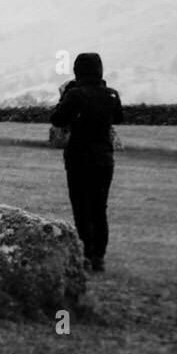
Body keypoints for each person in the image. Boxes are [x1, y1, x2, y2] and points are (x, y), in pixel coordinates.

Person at [49, 52, 123, 272]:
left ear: (77, 71)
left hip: (79, 158)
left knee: (81, 207)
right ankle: (99, 255)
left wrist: (65, 95)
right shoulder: (111, 94)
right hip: (104, 159)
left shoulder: (76, 94)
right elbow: (118, 117)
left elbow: (57, 119)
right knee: (99, 208)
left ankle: (86, 252)